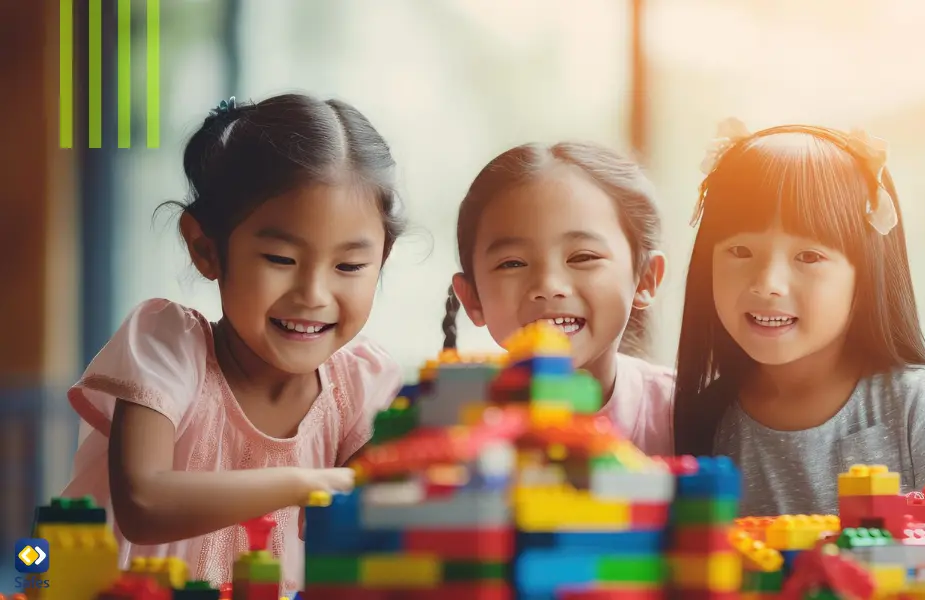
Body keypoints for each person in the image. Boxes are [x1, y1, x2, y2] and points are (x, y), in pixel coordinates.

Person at [60, 94, 407, 592]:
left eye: (349, 266)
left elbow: (364, 539)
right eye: (280, 259)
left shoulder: (363, 385)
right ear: (206, 249)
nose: (313, 295)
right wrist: (307, 484)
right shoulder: (168, 348)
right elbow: (145, 504)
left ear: (383, 260)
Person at [672, 119, 925, 516]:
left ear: (866, 273)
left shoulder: (915, 403)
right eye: (740, 251)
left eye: (808, 257)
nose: (768, 284)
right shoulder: (711, 419)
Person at [444, 142, 674, 455]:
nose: (548, 285)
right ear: (472, 299)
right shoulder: (450, 420)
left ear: (645, 278)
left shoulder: (683, 413)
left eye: (583, 257)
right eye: (512, 263)